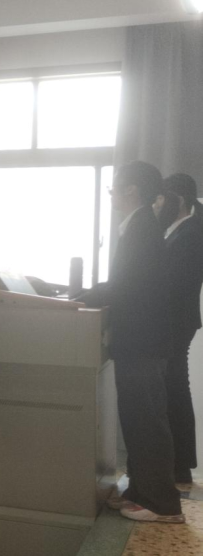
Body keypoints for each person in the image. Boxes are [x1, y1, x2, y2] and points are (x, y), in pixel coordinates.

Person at [80, 162, 183, 524]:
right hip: (140, 341)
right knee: (138, 419)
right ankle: (140, 491)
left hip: (143, 342)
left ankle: (163, 504)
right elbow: (127, 283)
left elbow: (126, 286)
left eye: (114, 188)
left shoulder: (142, 228)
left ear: (131, 190)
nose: (111, 195)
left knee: (147, 421)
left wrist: (82, 297)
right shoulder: (139, 225)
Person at [161, 174, 204, 485]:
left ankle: (179, 464)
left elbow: (174, 282)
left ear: (178, 198)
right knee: (175, 386)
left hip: (175, 320)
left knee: (174, 387)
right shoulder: (182, 228)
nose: (158, 203)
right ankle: (180, 464)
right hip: (177, 319)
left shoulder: (191, 231)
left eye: (162, 197)